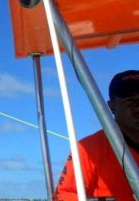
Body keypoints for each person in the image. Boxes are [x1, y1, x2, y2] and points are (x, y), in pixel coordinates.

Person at [53, 70, 139, 201]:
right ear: (112, 106)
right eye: (129, 100)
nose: (138, 107)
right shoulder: (87, 150)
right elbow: (64, 195)